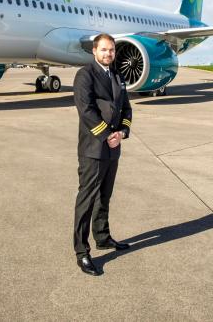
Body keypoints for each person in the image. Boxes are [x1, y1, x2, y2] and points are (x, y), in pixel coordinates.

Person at [72, 33, 133, 276]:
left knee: (104, 197)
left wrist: (123, 132)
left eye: (112, 50)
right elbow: (85, 110)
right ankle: (81, 252)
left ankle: (103, 237)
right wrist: (107, 133)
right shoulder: (85, 75)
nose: (108, 54)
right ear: (95, 51)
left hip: (113, 147)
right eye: (104, 50)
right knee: (86, 201)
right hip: (93, 149)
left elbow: (126, 108)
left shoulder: (117, 75)